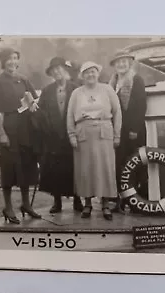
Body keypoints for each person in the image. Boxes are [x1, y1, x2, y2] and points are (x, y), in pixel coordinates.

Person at [0, 47, 42, 224]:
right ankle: (8, 206)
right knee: (9, 168)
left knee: (26, 166)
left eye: (15, 58)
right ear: (3, 61)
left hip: (26, 128)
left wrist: (33, 105)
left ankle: (25, 204)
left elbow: (34, 102)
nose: (12, 62)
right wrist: (2, 133)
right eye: (9, 59)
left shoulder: (24, 79)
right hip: (9, 128)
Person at [67, 61, 122, 221]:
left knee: (105, 168)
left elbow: (117, 112)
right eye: (86, 72)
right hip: (83, 133)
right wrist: (72, 135)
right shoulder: (77, 93)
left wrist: (117, 134)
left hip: (104, 132)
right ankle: (87, 204)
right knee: (85, 169)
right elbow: (70, 115)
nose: (90, 75)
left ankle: (105, 204)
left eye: (93, 72)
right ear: (82, 76)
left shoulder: (107, 89)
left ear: (98, 73)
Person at [38, 57, 84, 213]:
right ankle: (57, 202)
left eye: (59, 69)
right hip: (53, 137)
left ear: (65, 70)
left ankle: (78, 199)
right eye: (54, 70)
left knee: (74, 167)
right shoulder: (47, 91)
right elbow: (41, 112)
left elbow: (82, 110)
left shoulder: (76, 89)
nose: (57, 72)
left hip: (72, 135)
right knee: (55, 169)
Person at [108, 50, 148, 212]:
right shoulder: (112, 83)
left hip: (133, 130)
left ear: (130, 63)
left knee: (135, 165)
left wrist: (135, 129)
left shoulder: (136, 80)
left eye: (124, 61)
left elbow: (141, 105)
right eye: (118, 62)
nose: (121, 65)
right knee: (119, 165)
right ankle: (121, 200)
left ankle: (136, 201)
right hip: (118, 131)